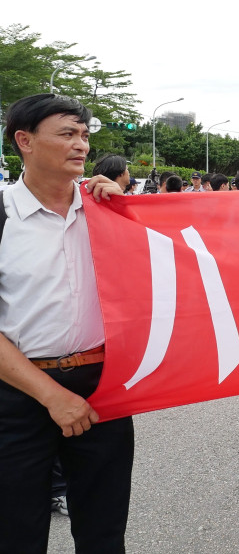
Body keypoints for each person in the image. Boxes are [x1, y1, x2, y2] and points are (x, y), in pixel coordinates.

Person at [0, 93, 130, 552]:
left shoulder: (109, 213)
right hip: (18, 395)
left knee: (104, 529)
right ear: (25, 141)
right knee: (17, 532)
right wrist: (53, 396)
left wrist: (126, 212)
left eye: (85, 135)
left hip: (103, 389)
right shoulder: (3, 216)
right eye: (67, 134)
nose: (81, 145)